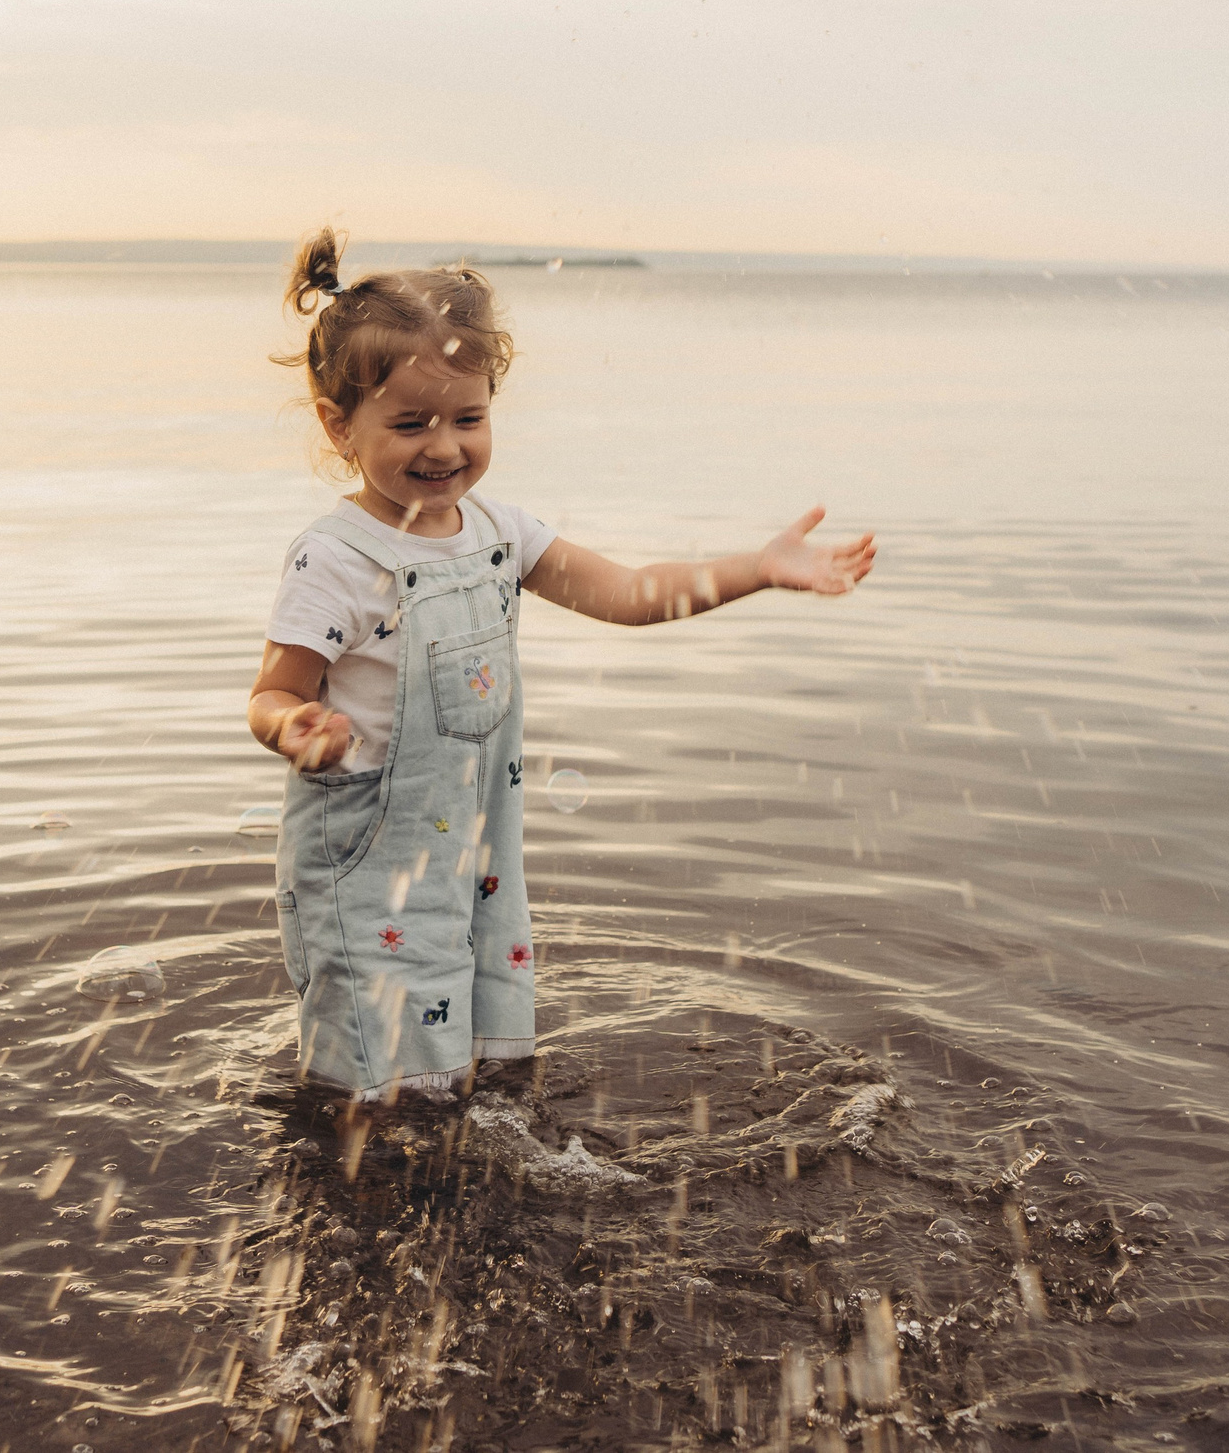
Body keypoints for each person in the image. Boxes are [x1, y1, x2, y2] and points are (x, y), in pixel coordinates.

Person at [248, 227, 876, 1101]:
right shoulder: (336, 559)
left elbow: (629, 590)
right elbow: (275, 690)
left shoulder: (505, 534)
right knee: (378, 1087)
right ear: (338, 425)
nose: (444, 446)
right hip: (367, 863)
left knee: (482, 1069)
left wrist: (757, 570)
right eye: (410, 423)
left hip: (475, 849)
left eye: (469, 418)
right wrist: (297, 725)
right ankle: (351, 1202)